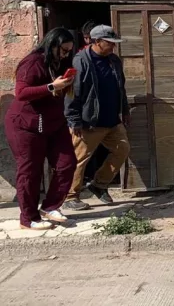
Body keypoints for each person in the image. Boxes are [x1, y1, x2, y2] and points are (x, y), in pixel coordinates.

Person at [3, 28, 77, 229]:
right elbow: (21, 93)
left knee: (67, 163)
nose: (66, 54)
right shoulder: (32, 62)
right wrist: (52, 86)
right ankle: (28, 218)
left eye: (69, 51)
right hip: (25, 125)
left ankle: (50, 206)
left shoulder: (60, 63)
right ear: (52, 45)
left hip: (53, 123)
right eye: (63, 50)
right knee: (30, 171)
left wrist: (66, 84)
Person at [63, 25, 131, 211]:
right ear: (97, 42)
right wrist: (74, 120)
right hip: (89, 122)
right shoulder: (81, 61)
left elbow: (121, 87)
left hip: (112, 120)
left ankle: (99, 185)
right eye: (110, 43)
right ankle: (70, 196)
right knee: (79, 159)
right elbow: (72, 93)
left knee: (122, 149)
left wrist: (124, 110)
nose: (113, 46)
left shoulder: (114, 61)